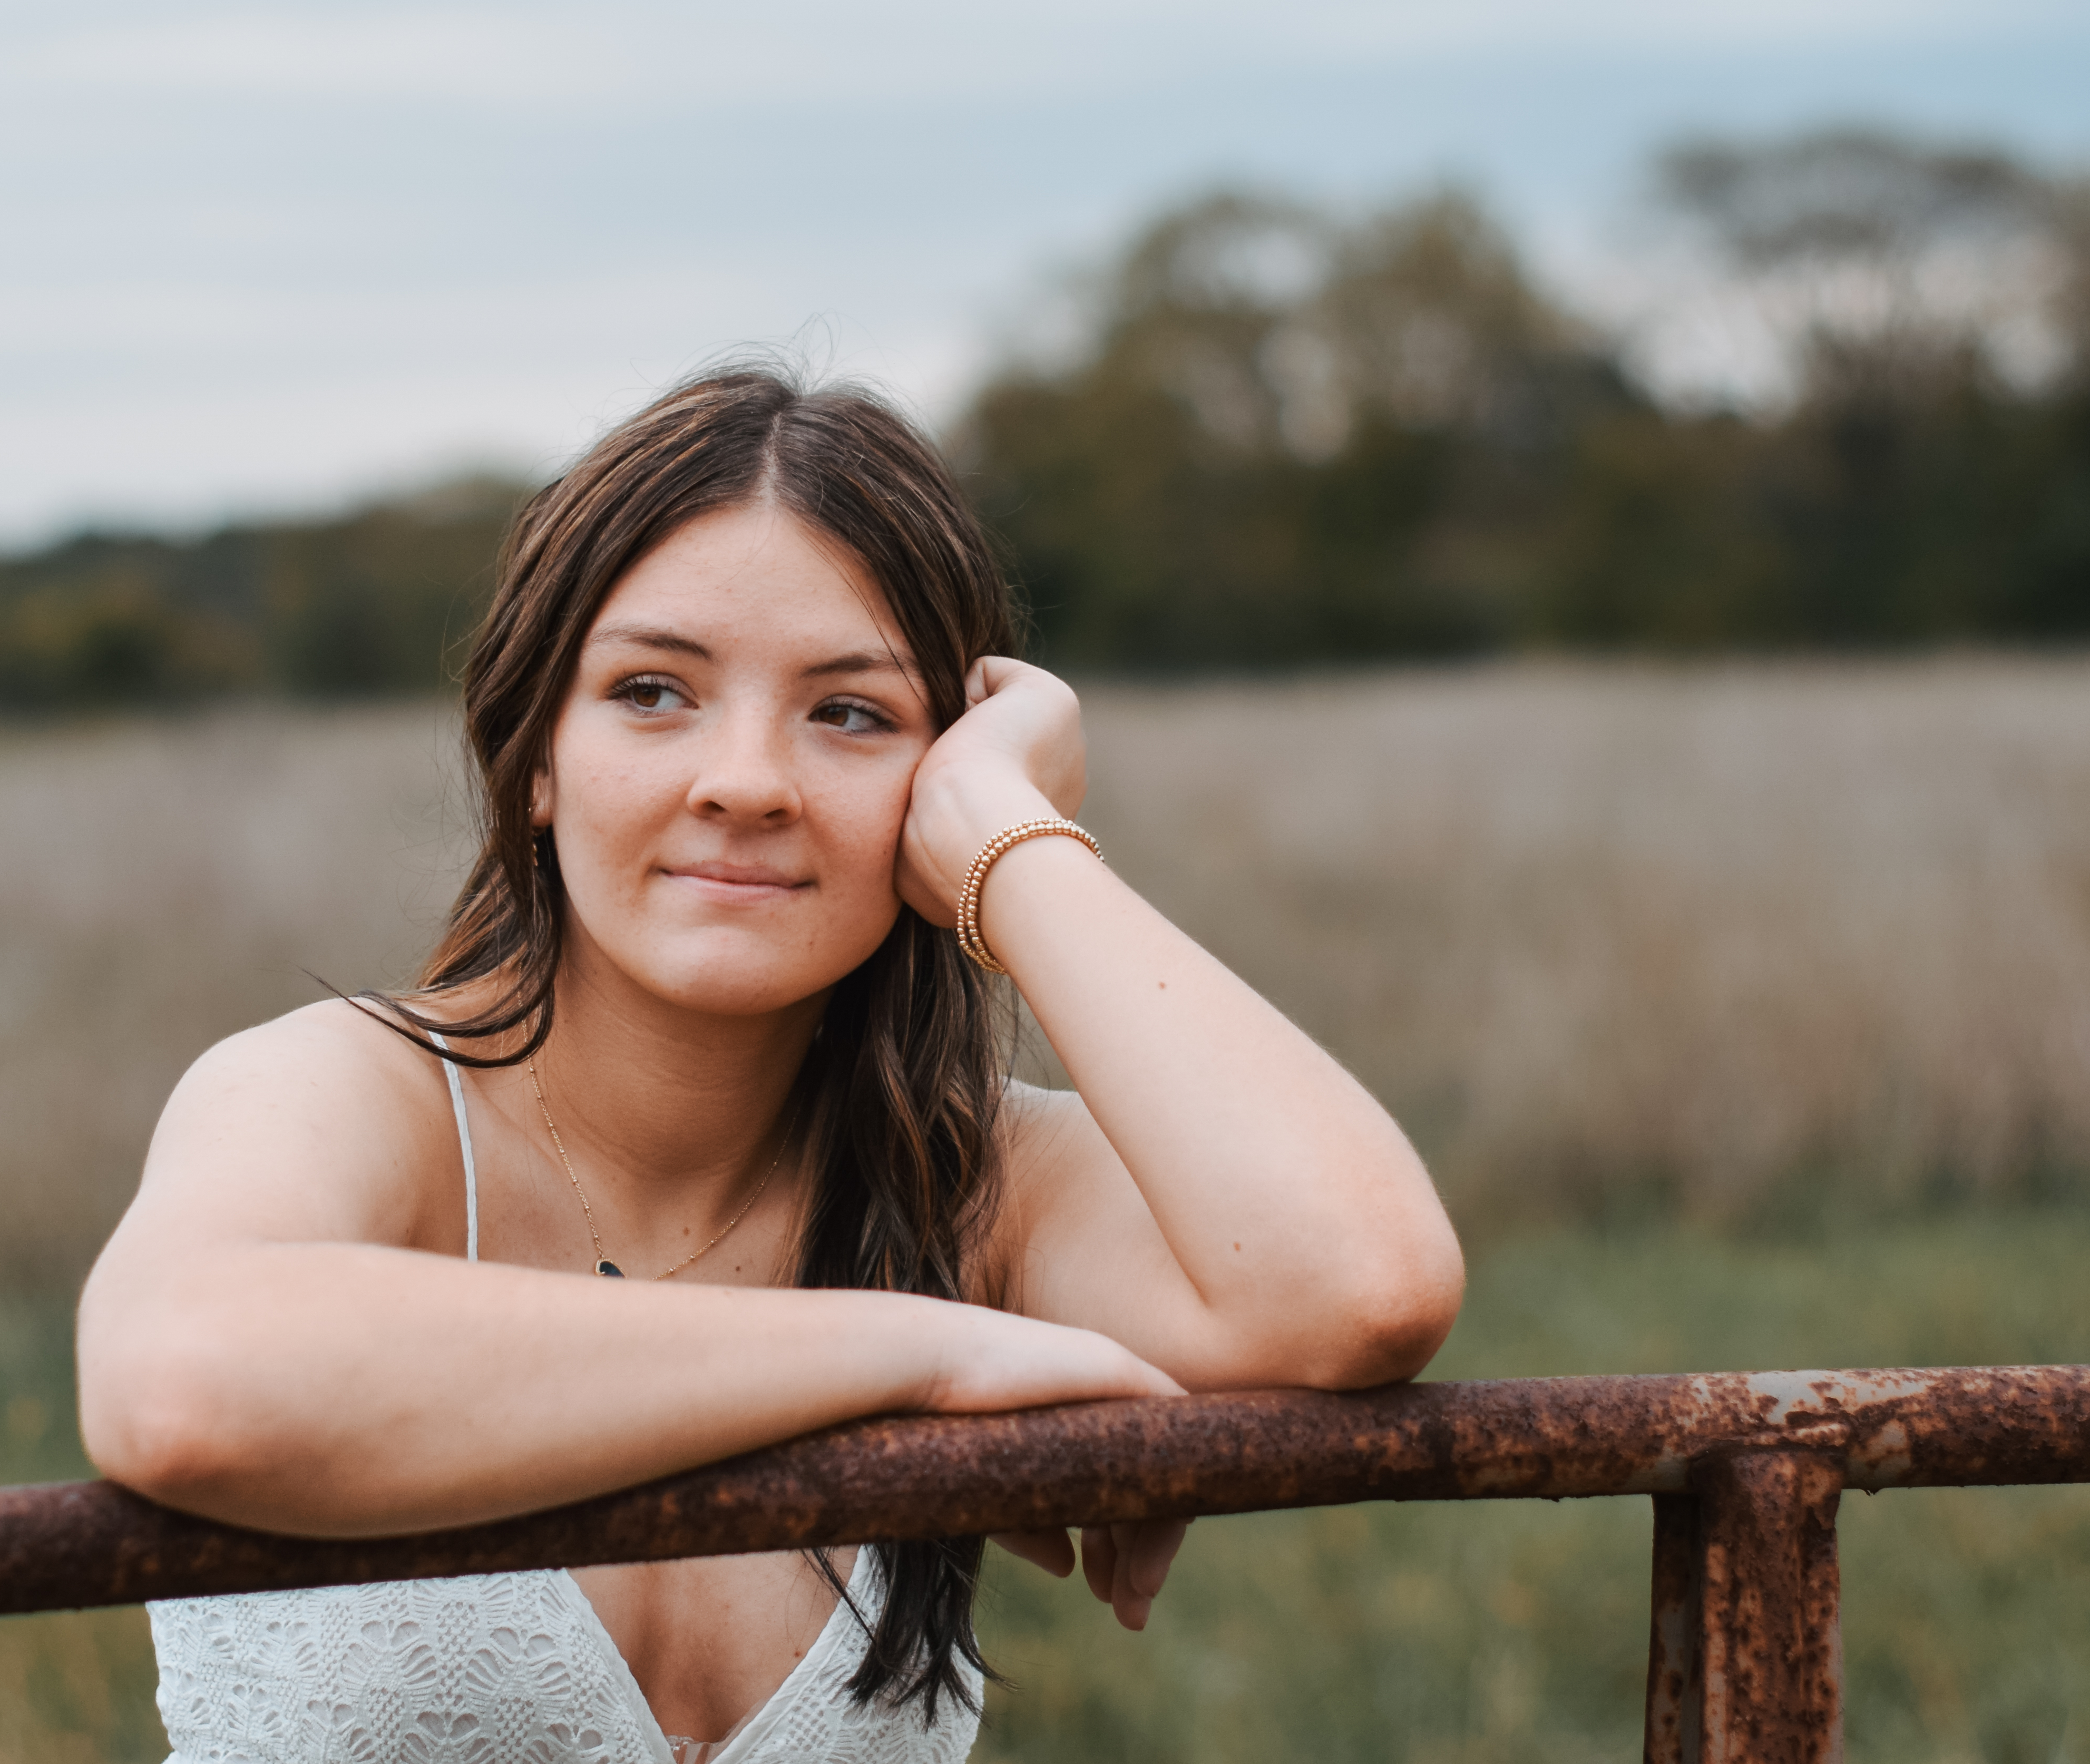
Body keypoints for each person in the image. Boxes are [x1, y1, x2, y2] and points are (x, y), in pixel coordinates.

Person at [77, 366, 1465, 1764]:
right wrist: (921, 1351)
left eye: (851, 714)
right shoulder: (347, 1094)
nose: (745, 779)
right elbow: (183, 1384)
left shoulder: (973, 1189)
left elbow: (1361, 1289)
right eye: (653, 691)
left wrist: (1007, 834)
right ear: (537, 758)